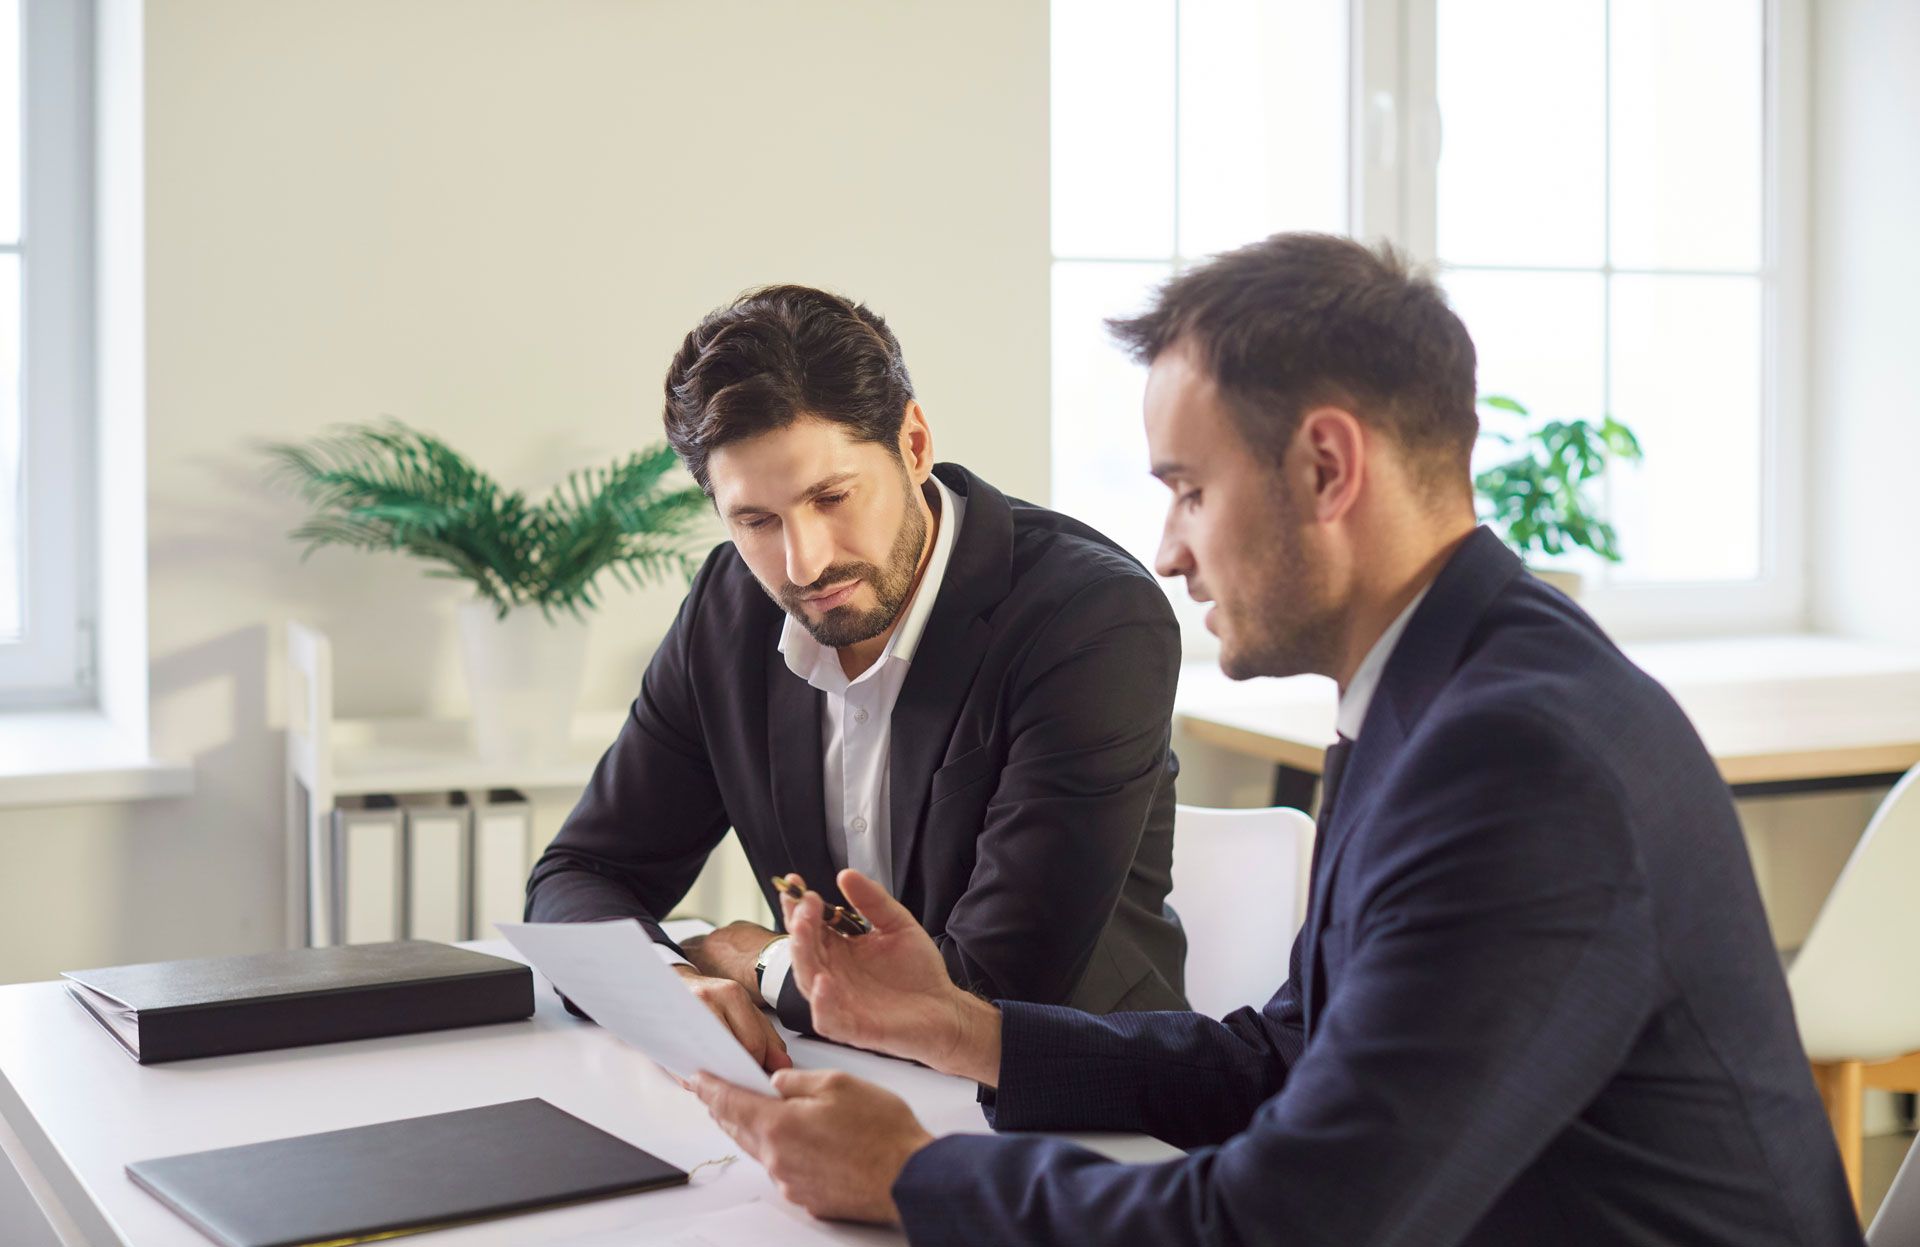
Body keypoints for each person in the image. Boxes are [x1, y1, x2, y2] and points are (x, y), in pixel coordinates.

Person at [689, 236, 1865, 1246]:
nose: (1167, 548)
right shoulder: (1439, 690)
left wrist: (911, 1175)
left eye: (1190, 489)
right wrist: (955, 1023)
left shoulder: (1518, 759)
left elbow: (1293, 1223)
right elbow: (1283, 1059)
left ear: (1327, 467)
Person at [526, 284, 1188, 1072]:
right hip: (831, 1078)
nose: (804, 563)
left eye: (831, 497)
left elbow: (983, 994)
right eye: (756, 521)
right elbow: (581, 874)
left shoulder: (1092, 619)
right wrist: (669, 978)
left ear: (913, 444)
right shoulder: (730, 608)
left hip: (1070, 1113)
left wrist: (746, 955)